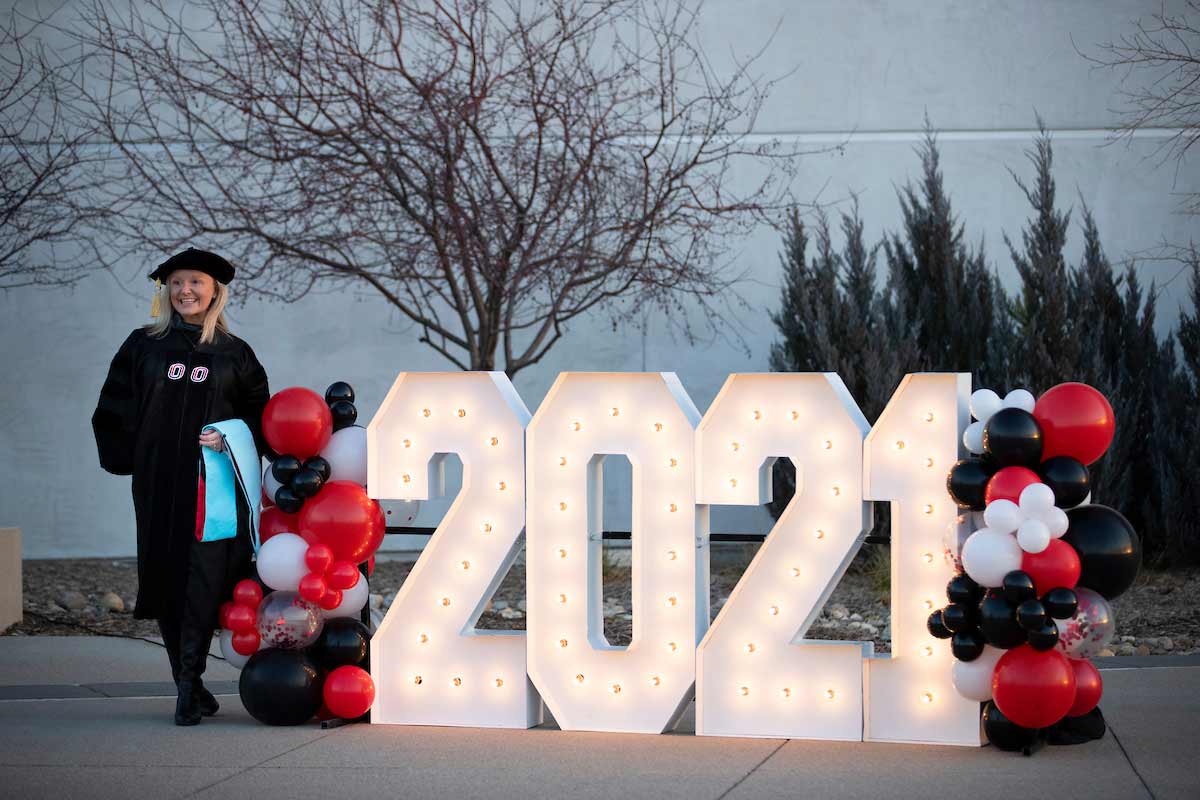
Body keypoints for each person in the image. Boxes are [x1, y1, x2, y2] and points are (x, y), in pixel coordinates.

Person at [92, 248, 269, 725]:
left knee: (204, 579)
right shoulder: (142, 345)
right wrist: (134, 456)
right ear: (165, 291)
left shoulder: (235, 353)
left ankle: (188, 684)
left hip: (211, 490)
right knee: (167, 577)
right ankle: (187, 684)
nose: (185, 290)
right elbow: (113, 408)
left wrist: (229, 434)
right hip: (158, 484)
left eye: (195, 282)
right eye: (176, 283)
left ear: (215, 291)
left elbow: (260, 417)